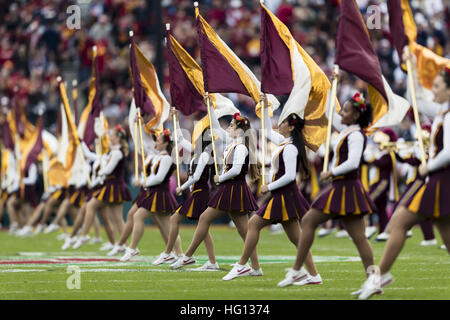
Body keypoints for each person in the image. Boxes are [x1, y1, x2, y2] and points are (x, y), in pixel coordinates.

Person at [358, 66, 450, 300]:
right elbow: (415, 101)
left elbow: (449, 151)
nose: (434, 90)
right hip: (438, 180)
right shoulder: (442, 112)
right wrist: (412, 70)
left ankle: (380, 275)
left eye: (437, 86)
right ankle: (380, 275)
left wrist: (428, 166)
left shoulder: (449, 116)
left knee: (399, 220)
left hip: (441, 180)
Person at [277, 92, 377, 288]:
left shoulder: (356, 135)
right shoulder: (348, 130)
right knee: (310, 221)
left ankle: (372, 279)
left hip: (347, 187)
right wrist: (329, 87)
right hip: (340, 187)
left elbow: (353, 162)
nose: (342, 114)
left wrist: (331, 171)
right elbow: (332, 112)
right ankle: (298, 270)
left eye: (346, 111)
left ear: (355, 116)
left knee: (358, 238)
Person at [222, 107, 321, 284]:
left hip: (285, 194)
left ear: (291, 127)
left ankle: (242, 264)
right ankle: (314, 275)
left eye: (283, 122)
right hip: (283, 195)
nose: (279, 124)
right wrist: (265, 107)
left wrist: (269, 186)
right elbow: (267, 131)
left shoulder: (290, 148)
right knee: (297, 239)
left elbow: (290, 176)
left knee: (253, 223)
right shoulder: (285, 142)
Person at [170, 111, 260, 274]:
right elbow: (217, 128)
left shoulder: (240, 147)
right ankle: (256, 267)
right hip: (230, 188)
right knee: (244, 231)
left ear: (239, 130)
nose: (228, 128)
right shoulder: (233, 144)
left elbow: (237, 169)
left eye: (231, 125)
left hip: (234, 188)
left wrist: (221, 177)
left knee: (206, 218)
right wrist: (210, 106)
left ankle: (188, 255)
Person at [151, 109, 218, 270]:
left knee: (176, 219)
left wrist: (183, 186)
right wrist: (175, 118)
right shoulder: (197, 152)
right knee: (203, 229)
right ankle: (212, 262)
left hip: (201, 194)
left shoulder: (204, 155)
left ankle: (171, 253)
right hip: (196, 193)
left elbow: (195, 177)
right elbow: (179, 139)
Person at [119, 128, 182, 261]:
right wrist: (143, 181)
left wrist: (144, 182)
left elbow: (159, 178)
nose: (156, 143)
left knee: (139, 216)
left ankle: (132, 248)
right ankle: (178, 254)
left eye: (158, 140)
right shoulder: (159, 156)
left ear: (165, 143)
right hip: (155, 192)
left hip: (160, 193)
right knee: (166, 226)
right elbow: (153, 174)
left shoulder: (166, 158)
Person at [72, 125, 132, 249]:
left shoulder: (117, 153)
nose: (109, 137)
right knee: (116, 219)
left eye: (111, 135)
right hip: (110, 186)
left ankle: (84, 235)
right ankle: (125, 246)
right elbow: (89, 154)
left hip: (114, 187)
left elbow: (109, 170)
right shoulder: (113, 152)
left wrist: (100, 173)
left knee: (92, 206)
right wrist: (81, 141)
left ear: (117, 138)